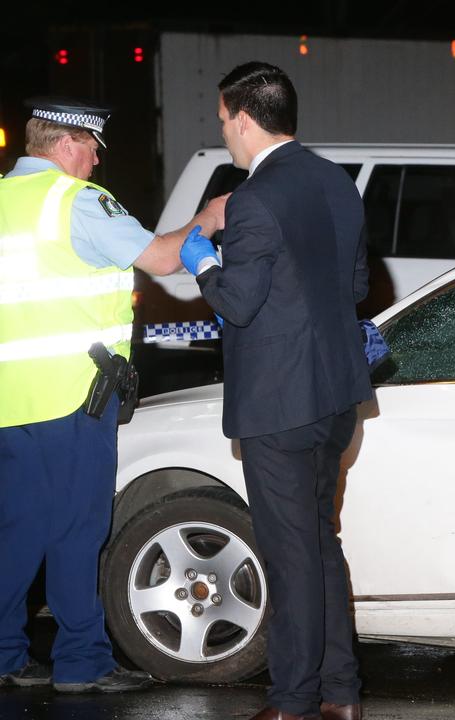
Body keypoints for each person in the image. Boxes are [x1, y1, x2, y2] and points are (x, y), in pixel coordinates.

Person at [0, 98, 225, 692]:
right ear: (68, 144)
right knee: (78, 529)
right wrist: (210, 216)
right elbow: (160, 257)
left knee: (17, 529)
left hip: (9, 399)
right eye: (93, 147)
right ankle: (81, 662)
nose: (97, 160)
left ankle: (2, 654)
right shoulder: (77, 202)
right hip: (73, 396)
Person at [180, 62, 371, 720]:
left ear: (242, 118)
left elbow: (236, 302)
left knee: (292, 557)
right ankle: (340, 694)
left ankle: (292, 702)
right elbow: (352, 289)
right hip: (336, 396)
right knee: (319, 544)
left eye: (221, 120)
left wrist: (202, 254)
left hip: (280, 404)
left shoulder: (254, 199)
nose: (224, 132)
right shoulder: (335, 183)